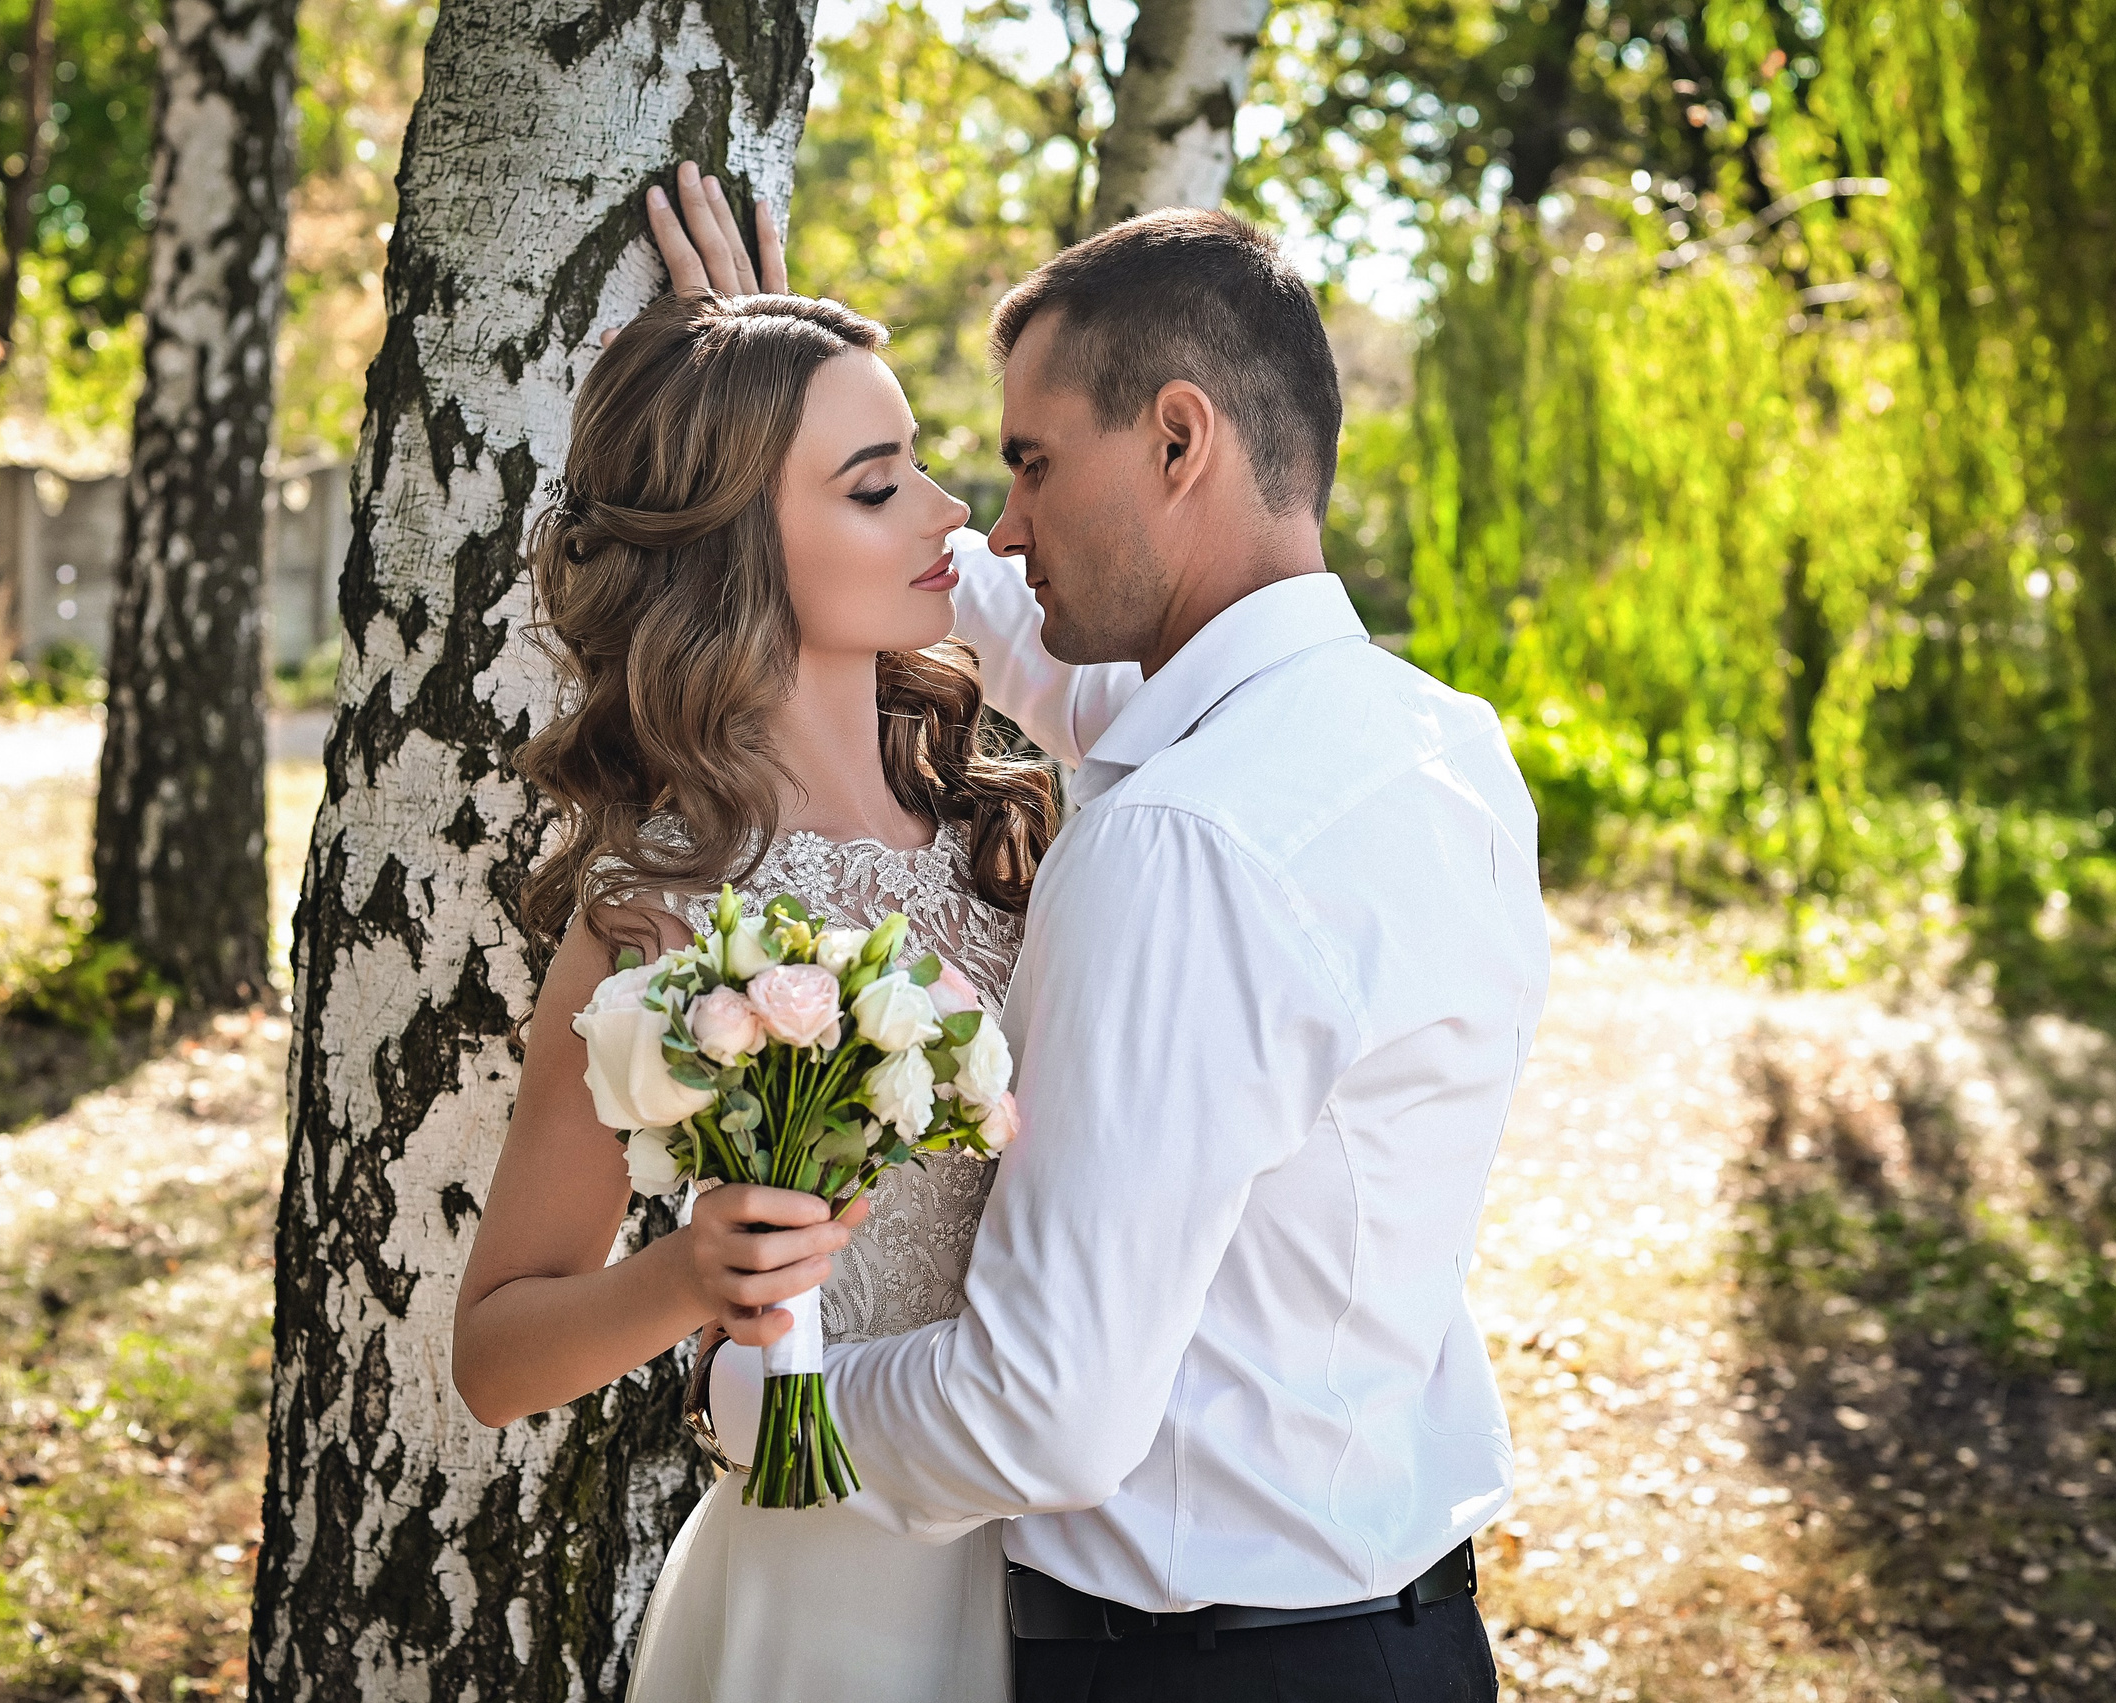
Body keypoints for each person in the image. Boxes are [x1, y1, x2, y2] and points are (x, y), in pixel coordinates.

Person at [659, 185, 1550, 1701]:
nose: (999, 521)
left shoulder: (1180, 840)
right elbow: (1051, 655)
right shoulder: (1433, 746)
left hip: (1197, 1672)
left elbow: (1039, 1413)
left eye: (1031, 463)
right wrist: (779, 402)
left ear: (1180, 441)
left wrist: (762, 1402)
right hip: (1406, 1641)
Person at [449, 165, 1088, 1702]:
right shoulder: (658, 920)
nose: (950, 517)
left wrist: (776, 347)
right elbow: (495, 1357)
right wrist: (686, 1279)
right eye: (877, 486)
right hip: (831, 1591)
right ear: (737, 549)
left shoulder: (1011, 830)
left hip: (1088, 1564)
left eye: (923, 464)